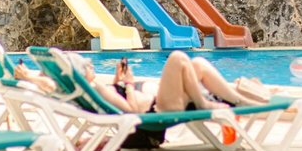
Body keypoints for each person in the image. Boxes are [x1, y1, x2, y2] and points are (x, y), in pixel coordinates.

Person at [68, 50, 265, 114]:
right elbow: (132, 111)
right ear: (81, 73)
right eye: (87, 66)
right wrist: (128, 84)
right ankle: (203, 103)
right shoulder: (97, 88)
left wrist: (118, 81)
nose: (91, 66)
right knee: (177, 58)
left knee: (198, 63)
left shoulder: (94, 89)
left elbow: (116, 101)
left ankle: (238, 100)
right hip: (157, 110)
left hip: (161, 102)